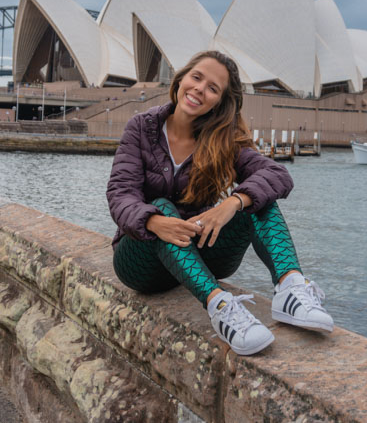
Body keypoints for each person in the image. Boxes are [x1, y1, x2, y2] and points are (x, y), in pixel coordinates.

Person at [106, 51, 333, 356]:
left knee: (258, 200)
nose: (200, 89)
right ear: (182, 78)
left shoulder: (222, 139)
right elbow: (120, 193)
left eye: (213, 88)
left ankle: (290, 288)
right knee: (160, 204)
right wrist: (154, 221)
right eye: (196, 77)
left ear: (220, 102)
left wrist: (233, 202)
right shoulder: (142, 127)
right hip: (141, 260)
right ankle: (221, 306)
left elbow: (277, 174)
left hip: (202, 254)